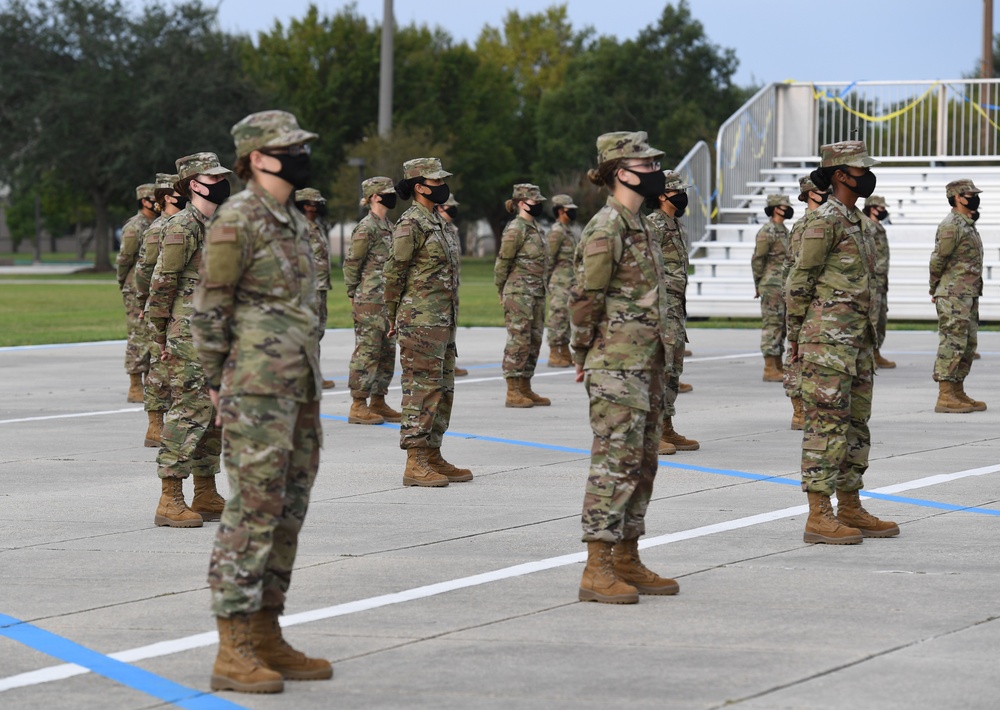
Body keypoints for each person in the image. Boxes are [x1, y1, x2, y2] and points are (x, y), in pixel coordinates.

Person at [192, 110, 332, 693]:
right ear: (258, 157)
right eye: (289, 147)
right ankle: (233, 647)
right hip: (254, 390)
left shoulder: (293, 221)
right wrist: (217, 383)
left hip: (297, 387)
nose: (301, 155)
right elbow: (209, 309)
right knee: (252, 510)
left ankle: (268, 629)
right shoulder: (238, 219)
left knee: (287, 509)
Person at [571, 131, 679, 604]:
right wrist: (582, 354)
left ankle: (627, 556)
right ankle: (597, 567)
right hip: (616, 367)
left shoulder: (643, 225)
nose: (656, 172)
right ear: (621, 171)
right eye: (647, 165)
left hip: (647, 364)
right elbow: (585, 299)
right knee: (614, 464)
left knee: (643, 463)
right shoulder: (606, 227)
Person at [786, 140, 899, 544]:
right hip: (826, 342)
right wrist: (795, 337)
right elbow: (800, 280)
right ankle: (819, 514)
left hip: (857, 343)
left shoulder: (859, 223)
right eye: (860, 169)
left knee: (855, 427)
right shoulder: (825, 221)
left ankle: (850, 506)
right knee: (825, 426)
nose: (867, 175)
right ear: (839, 175)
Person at [146, 154, 229, 529]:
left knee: (215, 415)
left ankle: (206, 490)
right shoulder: (182, 225)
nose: (222, 182)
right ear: (194, 184)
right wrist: (159, 336)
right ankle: (170, 496)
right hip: (189, 333)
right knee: (189, 410)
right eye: (214, 177)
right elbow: (162, 282)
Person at [383, 158, 472, 487]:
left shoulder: (439, 222)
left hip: (442, 322)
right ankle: (415, 460)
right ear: (419, 187)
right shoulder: (411, 224)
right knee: (421, 390)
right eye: (436, 182)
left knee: (443, 389)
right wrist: (391, 314)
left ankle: (433, 454)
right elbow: (394, 273)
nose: (442, 186)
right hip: (418, 322)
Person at [646, 171, 699, 455]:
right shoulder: (653, 225)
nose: (682, 195)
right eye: (677, 191)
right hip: (659, 307)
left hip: (675, 306)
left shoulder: (676, 225)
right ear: (662, 195)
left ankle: (666, 426)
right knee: (660, 368)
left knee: (674, 368)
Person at [342, 176, 400, 425]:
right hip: (369, 300)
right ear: (375, 196)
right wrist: (353, 293)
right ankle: (358, 404)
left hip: (387, 300)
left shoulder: (389, 225)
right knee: (367, 351)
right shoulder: (366, 227)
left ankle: (378, 401)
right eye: (387, 192)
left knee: (387, 352)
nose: (392, 195)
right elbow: (352, 263)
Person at [929, 179, 986, 413]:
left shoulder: (967, 224)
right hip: (953, 294)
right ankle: (945, 395)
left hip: (968, 293)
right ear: (958, 197)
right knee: (952, 343)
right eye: (970, 194)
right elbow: (938, 259)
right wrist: (935, 288)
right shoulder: (951, 225)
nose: (975, 197)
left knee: (968, 343)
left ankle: (957, 390)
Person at [135, 172, 183, 447]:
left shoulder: (191, 223)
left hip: (185, 306)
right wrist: (144, 302)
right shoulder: (157, 229)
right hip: (162, 305)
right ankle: (155, 425)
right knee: (159, 367)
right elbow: (144, 269)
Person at [495, 184, 550, 408]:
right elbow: (502, 263)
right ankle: (513, 390)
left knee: (534, 340)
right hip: (519, 293)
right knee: (519, 340)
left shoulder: (534, 228)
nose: (538, 205)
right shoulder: (516, 229)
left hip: (536, 292)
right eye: (534, 202)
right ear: (521, 203)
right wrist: (501, 290)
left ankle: (525, 385)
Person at [782, 176, 827, 430]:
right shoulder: (805, 226)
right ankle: (799, 410)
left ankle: (815, 404)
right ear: (810, 194)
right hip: (803, 298)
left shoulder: (827, 221)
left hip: (821, 299)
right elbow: (795, 268)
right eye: (822, 190)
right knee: (798, 352)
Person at [117, 183, 157, 403]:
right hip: (135, 288)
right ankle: (135, 385)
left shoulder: (158, 223)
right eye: (154, 198)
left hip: (152, 286)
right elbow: (124, 259)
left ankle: (152, 383)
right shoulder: (135, 226)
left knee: (153, 334)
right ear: (144, 201)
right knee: (138, 335)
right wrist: (124, 282)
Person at [294, 188, 336, 389]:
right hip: (306, 289)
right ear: (305, 205)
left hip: (319, 287)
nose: (319, 206)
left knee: (316, 332)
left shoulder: (314, 227)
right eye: (315, 202)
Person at [753, 194, 791, 382]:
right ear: (775, 208)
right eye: (785, 206)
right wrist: (758, 283)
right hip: (771, 284)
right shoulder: (767, 231)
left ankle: (778, 363)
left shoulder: (784, 230)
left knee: (782, 325)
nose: (788, 209)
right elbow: (758, 259)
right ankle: (769, 367)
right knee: (772, 325)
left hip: (784, 284)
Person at [435, 193, 469, 377]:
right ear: (439, 208)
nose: (453, 209)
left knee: (451, 327)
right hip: (438, 290)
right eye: (449, 206)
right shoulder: (434, 230)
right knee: (438, 328)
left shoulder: (451, 230)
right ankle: (438, 364)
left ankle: (449, 362)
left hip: (452, 288)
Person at [544, 194, 579, 368]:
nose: (573, 213)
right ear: (560, 211)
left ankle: (564, 351)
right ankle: (554, 353)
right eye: (569, 210)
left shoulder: (569, 231)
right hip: (559, 283)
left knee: (566, 318)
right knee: (557, 317)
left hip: (570, 282)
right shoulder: (556, 232)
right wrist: (546, 283)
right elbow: (548, 259)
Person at [863, 195, 896, 369]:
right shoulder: (867, 227)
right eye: (880, 208)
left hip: (881, 281)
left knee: (880, 319)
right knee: (872, 320)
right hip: (872, 281)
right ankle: (868, 356)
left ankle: (876, 353)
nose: (883, 211)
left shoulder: (878, 228)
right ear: (872, 208)